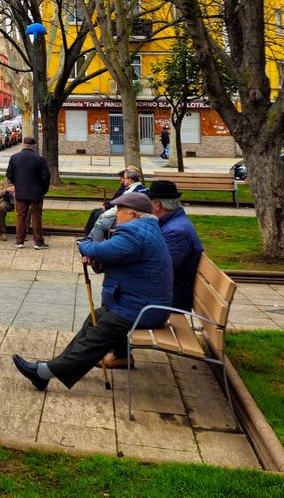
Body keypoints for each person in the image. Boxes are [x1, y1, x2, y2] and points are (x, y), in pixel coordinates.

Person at [12, 191, 172, 388]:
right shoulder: (146, 229)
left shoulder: (135, 233)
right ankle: (53, 368)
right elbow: (119, 257)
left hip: (143, 309)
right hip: (139, 303)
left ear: (134, 214)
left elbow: (99, 249)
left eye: (120, 210)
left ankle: (44, 372)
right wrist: (98, 259)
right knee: (94, 319)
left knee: (101, 332)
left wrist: (85, 245)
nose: (116, 214)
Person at [148, 180, 204, 311]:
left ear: (158, 205)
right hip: (168, 292)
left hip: (170, 299)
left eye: (149, 202)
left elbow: (162, 270)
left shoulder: (176, 232)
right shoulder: (173, 222)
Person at [6, 136, 51, 250]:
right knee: (37, 217)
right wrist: (43, 190)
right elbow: (46, 177)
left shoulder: (14, 157)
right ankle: (38, 242)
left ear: (23, 144)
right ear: (34, 146)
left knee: (21, 216)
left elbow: (9, 174)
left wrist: (17, 184)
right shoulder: (40, 159)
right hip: (36, 193)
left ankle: (19, 241)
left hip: (20, 192)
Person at [82, 166, 147, 237]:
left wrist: (105, 213)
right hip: (139, 219)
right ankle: (90, 237)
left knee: (100, 222)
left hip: (128, 219)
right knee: (98, 215)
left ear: (130, 179)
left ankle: (93, 240)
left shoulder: (129, 191)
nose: (122, 179)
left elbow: (117, 207)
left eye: (124, 178)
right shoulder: (144, 189)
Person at [0, 177, 15, 241]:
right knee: (1, 207)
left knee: (28, 208)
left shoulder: (21, 180)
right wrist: (6, 190)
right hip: (7, 201)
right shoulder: (3, 182)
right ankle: (2, 232)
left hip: (19, 201)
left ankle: (23, 233)